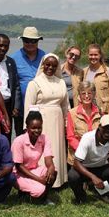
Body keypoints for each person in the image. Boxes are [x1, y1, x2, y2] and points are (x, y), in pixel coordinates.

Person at [24, 53, 70, 188]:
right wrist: (28, 128)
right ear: (43, 65)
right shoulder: (35, 83)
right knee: (43, 148)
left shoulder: (61, 82)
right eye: (48, 64)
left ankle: (58, 180)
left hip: (57, 121)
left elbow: (65, 105)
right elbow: (28, 107)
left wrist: (67, 123)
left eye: (54, 65)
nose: (50, 67)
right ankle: (42, 178)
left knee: (56, 148)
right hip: (41, 121)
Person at [68, 115, 109, 204]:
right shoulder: (87, 137)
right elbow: (76, 163)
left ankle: (103, 193)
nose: (108, 131)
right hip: (84, 168)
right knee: (72, 176)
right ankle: (81, 196)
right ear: (99, 127)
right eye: (105, 128)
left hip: (101, 167)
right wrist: (93, 177)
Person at [12, 111, 57, 204]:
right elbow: (19, 166)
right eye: (33, 128)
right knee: (38, 190)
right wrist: (39, 179)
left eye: (39, 128)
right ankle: (27, 195)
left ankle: (44, 198)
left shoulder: (44, 138)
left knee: (53, 174)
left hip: (34, 169)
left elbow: (48, 160)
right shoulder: (19, 141)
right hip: (19, 173)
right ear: (27, 127)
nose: (37, 131)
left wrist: (51, 168)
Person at [10, 26, 46, 136]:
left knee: (41, 139)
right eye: (26, 40)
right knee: (22, 138)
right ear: (22, 40)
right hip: (20, 109)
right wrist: (14, 106)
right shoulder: (14, 58)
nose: (30, 43)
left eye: (33, 41)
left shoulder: (45, 57)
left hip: (41, 108)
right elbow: (11, 84)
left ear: (38, 41)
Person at [0, 33, 21, 142]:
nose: (3, 48)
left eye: (6, 46)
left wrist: (16, 106)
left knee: (6, 134)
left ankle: (5, 158)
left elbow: (16, 85)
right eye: (0, 45)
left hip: (8, 104)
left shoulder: (10, 62)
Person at [66, 81, 101, 167]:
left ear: (94, 95)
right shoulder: (72, 113)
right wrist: (83, 149)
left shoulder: (100, 112)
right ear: (79, 96)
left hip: (95, 156)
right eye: (83, 93)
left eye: (89, 93)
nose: (86, 96)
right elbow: (70, 137)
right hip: (77, 156)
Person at [84, 44, 109, 115]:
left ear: (100, 55)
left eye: (96, 55)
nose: (93, 57)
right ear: (88, 55)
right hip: (88, 111)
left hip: (103, 111)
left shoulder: (108, 71)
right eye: (91, 55)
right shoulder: (84, 71)